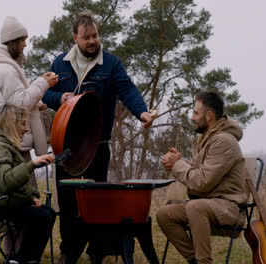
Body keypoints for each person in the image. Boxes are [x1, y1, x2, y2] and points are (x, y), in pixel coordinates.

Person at [42, 11, 153, 263]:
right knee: (68, 203)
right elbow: (44, 95)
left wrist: (143, 113)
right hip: (65, 147)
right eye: (86, 37)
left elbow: (128, 90)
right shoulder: (59, 64)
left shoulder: (111, 64)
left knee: (94, 202)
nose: (92, 41)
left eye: (95, 36)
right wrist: (59, 98)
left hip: (97, 147)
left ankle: (96, 252)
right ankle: (68, 252)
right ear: (75, 38)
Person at [0, 16, 58, 255]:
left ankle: (14, 255)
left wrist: (36, 106)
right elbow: (19, 103)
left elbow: (15, 103)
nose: (26, 45)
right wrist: (42, 84)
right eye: (23, 41)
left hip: (12, 140)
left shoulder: (4, 66)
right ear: (13, 42)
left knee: (21, 206)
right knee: (25, 204)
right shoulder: (7, 69)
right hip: (14, 144)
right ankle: (21, 256)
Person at [156, 91, 248, 264]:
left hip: (228, 207)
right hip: (206, 204)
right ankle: (195, 260)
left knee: (195, 207)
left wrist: (177, 165)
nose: (192, 117)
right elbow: (201, 173)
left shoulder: (224, 141)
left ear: (209, 115)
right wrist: (179, 161)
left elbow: (202, 182)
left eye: (195, 113)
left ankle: (204, 261)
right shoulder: (206, 139)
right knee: (164, 214)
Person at [0, 104, 56, 263]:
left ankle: (22, 259)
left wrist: (31, 196)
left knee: (48, 213)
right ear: (10, 123)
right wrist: (32, 165)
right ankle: (20, 260)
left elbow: (13, 184)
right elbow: (5, 182)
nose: (26, 129)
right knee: (41, 216)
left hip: (0, 200)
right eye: (23, 124)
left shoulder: (5, 145)